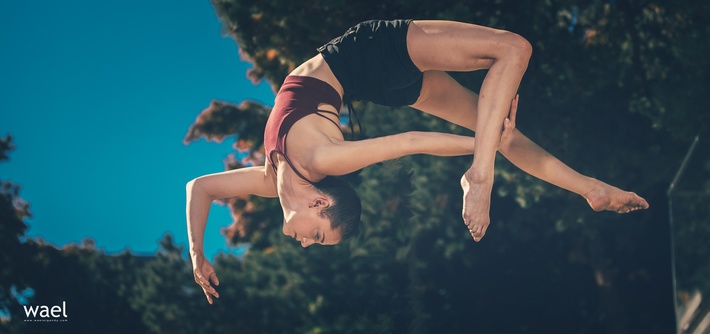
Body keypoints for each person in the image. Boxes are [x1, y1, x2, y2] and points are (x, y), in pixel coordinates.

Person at [187, 19, 649, 304]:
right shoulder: (315, 163)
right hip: (370, 69)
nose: (306, 244)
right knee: (512, 53)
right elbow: (408, 142)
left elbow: (199, 188)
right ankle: (549, 181)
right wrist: (479, 149)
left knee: (499, 117)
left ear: (319, 205)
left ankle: (585, 187)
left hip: (366, 62)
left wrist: (197, 254)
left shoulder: (277, 177)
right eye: (318, 240)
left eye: (317, 240)